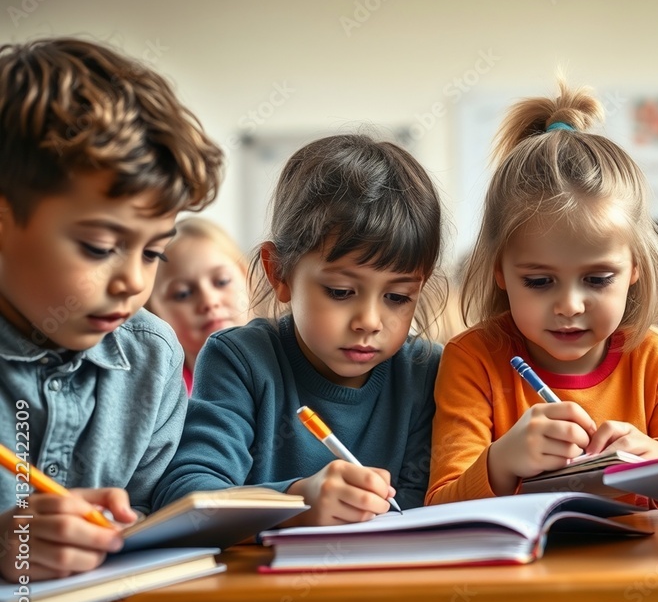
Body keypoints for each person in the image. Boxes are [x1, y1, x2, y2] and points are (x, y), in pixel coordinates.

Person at [426, 81, 658, 506]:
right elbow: (440, 508)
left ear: (635, 268)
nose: (569, 306)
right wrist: (501, 461)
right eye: (539, 282)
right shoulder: (472, 361)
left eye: (598, 280)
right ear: (499, 271)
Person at [0, 38, 223, 581]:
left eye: (154, 253)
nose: (132, 282)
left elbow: (155, 515)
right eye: (100, 248)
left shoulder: (152, 355)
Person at [152, 134, 444, 526]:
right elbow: (188, 495)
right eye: (341, 291)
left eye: (398, 297)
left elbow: (425, 507)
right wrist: (296, 500)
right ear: (279, 273)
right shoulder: (241, 360)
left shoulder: (426, 372)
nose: (370, 322)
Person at [146, 217, 251, 395]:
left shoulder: (285, 363)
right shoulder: (163, 396)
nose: (209, 301)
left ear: (246, 276)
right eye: (183, 294)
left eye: (221, 281)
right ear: (152, 311)